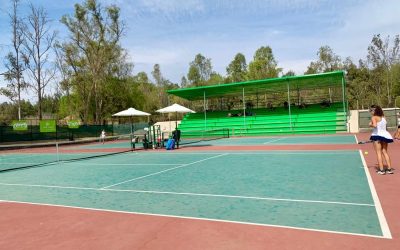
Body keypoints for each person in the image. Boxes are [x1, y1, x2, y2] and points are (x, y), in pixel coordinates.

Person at [369, 105, 394, 175]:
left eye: (371, 111)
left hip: (377, 135)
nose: (370, 112)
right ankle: (389, 169)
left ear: (374, 111)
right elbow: (385, 127)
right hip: (385, 135)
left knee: (378, 153)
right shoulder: (383, 117)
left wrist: (370, 124)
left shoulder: (374, 117)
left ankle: (382, 170)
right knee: (385, 152)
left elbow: (374, 125)